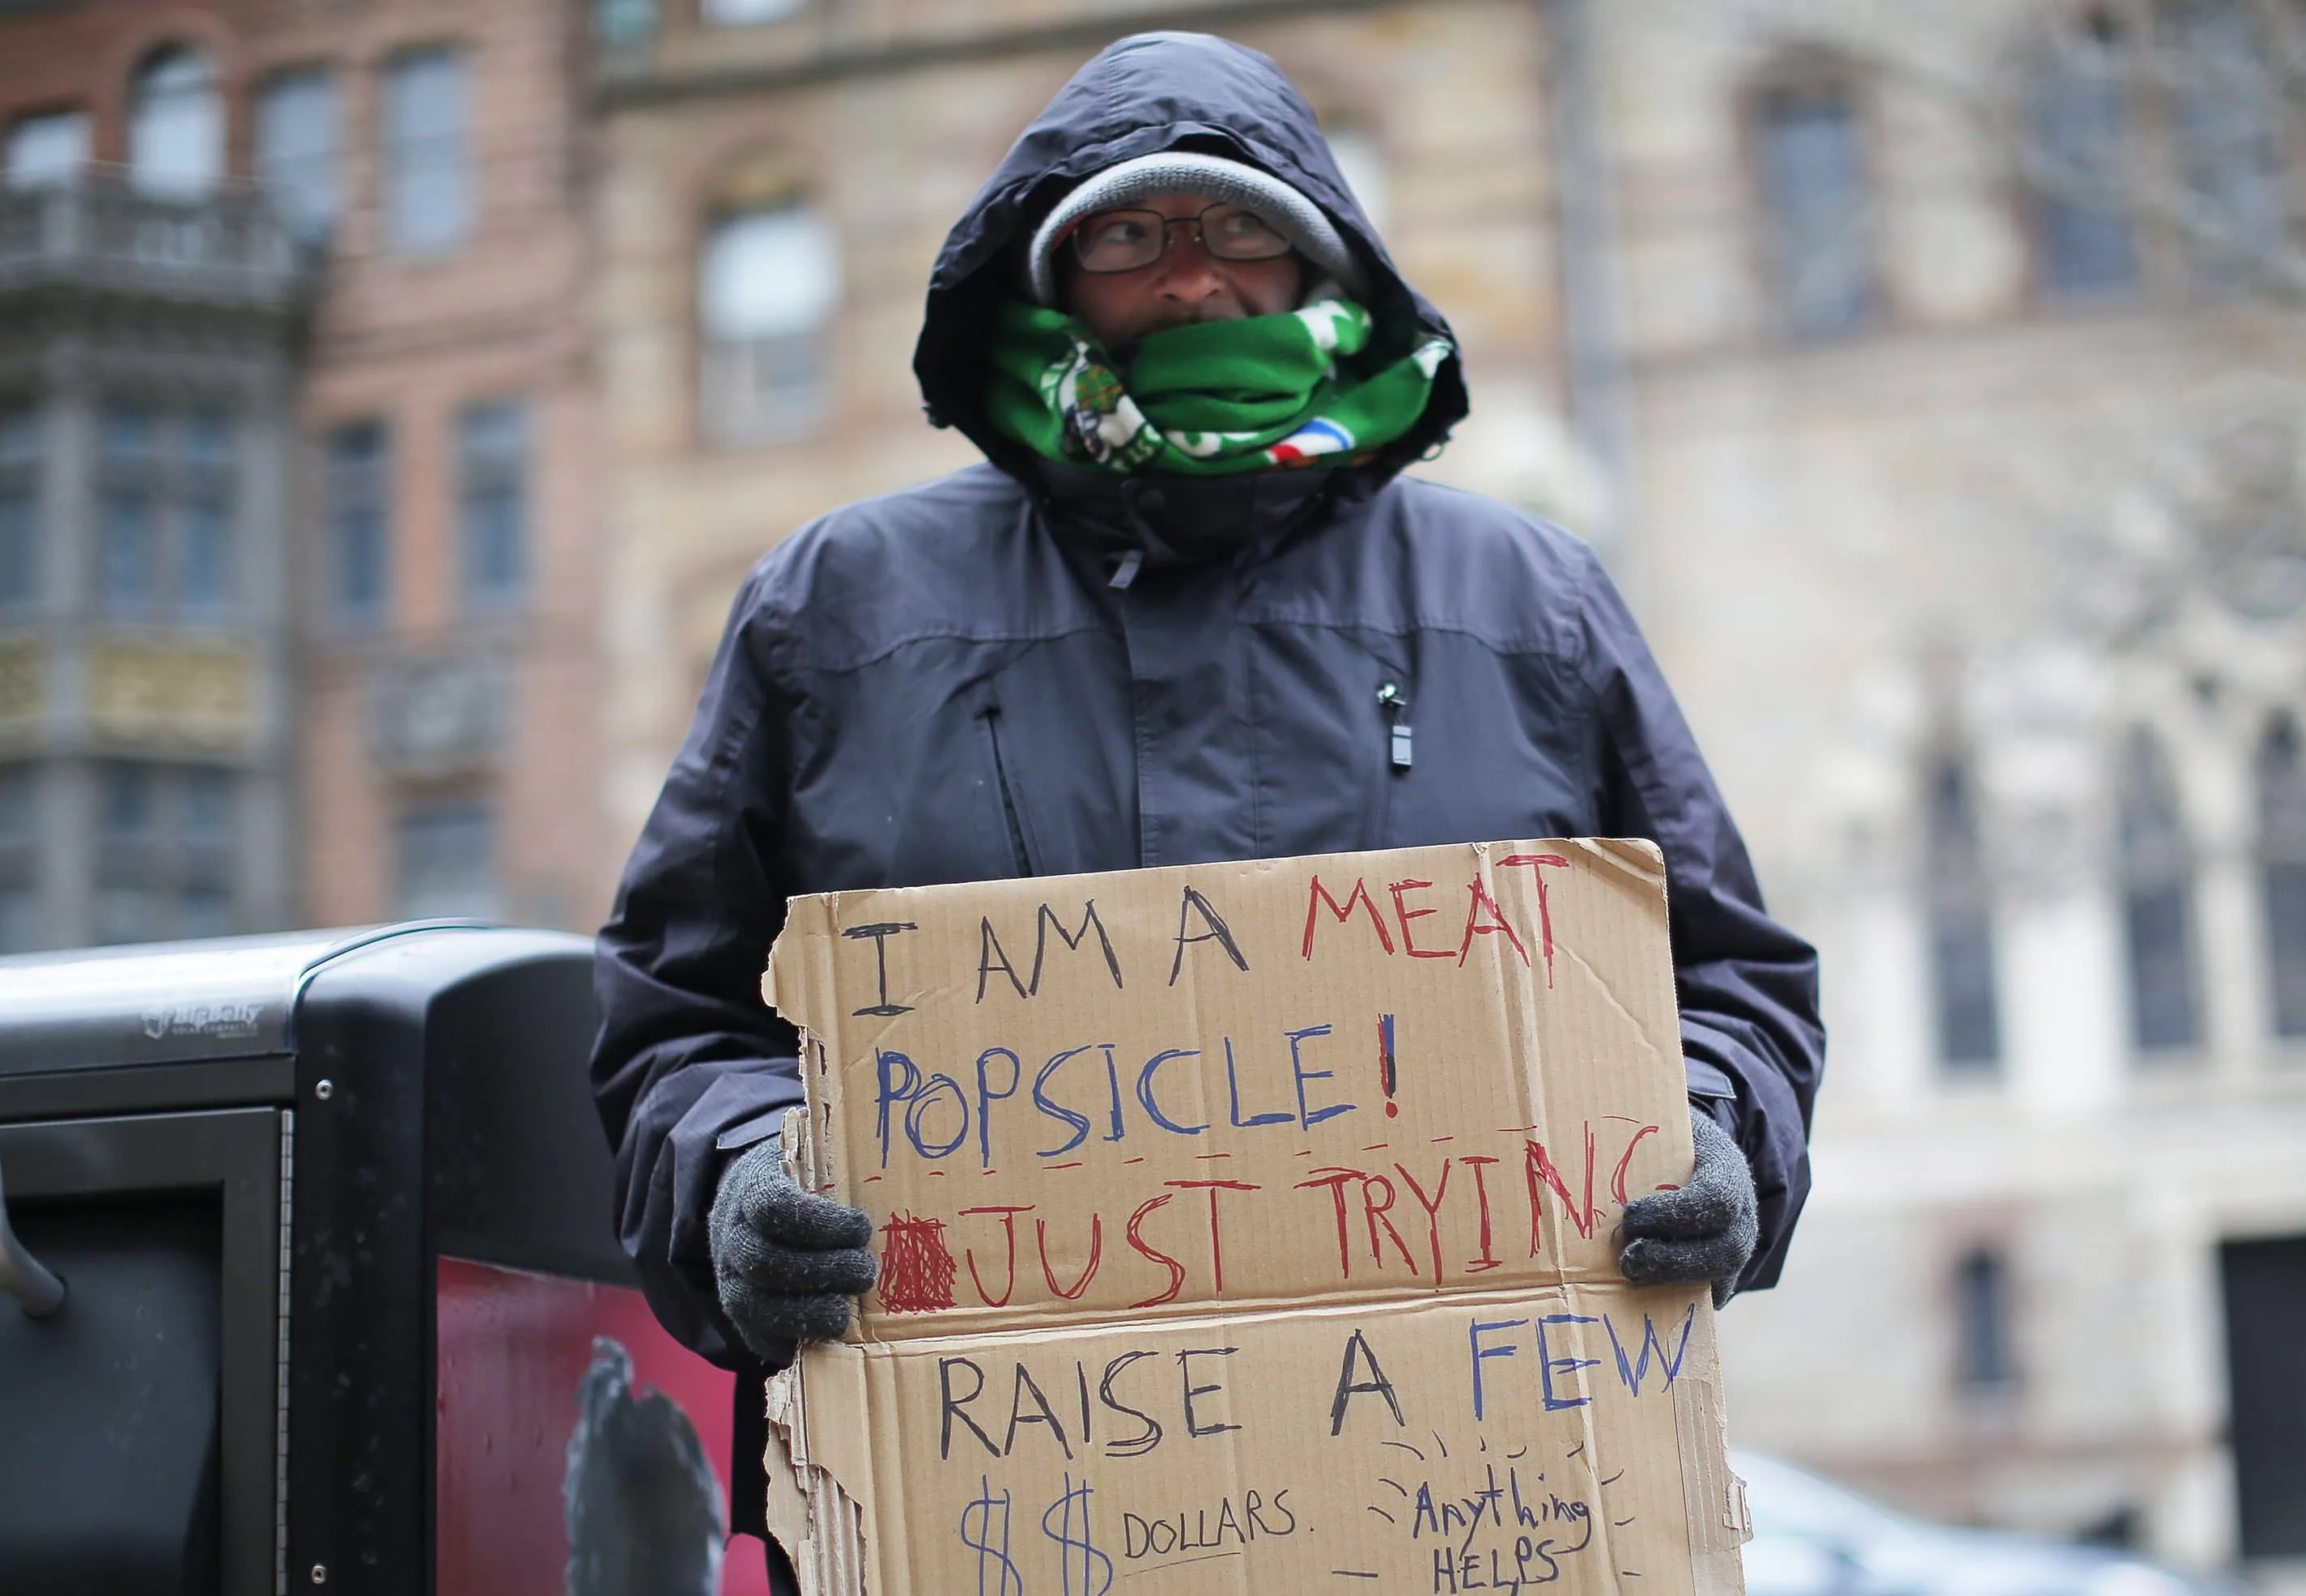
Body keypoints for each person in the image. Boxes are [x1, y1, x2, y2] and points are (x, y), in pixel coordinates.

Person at [589, 29, 1824, 1585]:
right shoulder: (839, 608)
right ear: (1051, 289)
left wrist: (1715, 1136)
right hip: (991, 1528)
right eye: (1127, 237)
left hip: (1469, 1523)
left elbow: (1728, 980)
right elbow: (670, 1019)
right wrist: (740, 1175)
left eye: (1240, 228)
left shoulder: (1523, 603)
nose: (1190, 282)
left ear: (1323, 261)